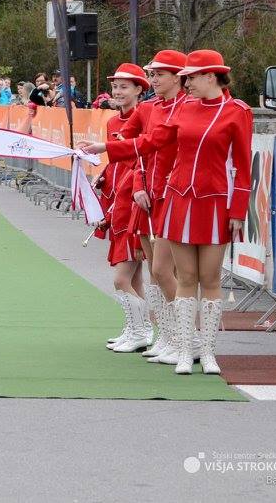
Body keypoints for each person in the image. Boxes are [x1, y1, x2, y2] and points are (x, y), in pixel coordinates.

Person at [81, 50, 252, 375]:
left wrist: (238, 210)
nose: (187, 83)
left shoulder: (237, 111)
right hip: (178, 200)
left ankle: (207, 352)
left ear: (211, 76)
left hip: (215, 202)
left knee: (209, 278)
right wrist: (107, 148)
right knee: (179, 276)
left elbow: (243, 166)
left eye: (191, 77)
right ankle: (185, 348)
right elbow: (151, 142)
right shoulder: (182, 108)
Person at [117, 50, 186, 365]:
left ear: (177, 77)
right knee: (155, 272)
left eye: (160, 74)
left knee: (169, 271)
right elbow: (136, 150)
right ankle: (167, 336)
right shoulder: (148, 108)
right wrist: (138, 186)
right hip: (147, 196)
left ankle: (185, 338)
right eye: (152, 74)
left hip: (172, 196)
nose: (154, 79)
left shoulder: (186, 108)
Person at [93, 64, 152, 353]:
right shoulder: (113, 122)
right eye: (115, 86)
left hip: (132, 203)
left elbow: (138, 162)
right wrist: (103, 175)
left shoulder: (146, 119)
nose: (117, 92)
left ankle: (142, 330)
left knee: (121, 278)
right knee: (135, 276)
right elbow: (116, 161)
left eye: (124, 87)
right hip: (115, 201)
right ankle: (137, 328)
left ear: (139, 89)